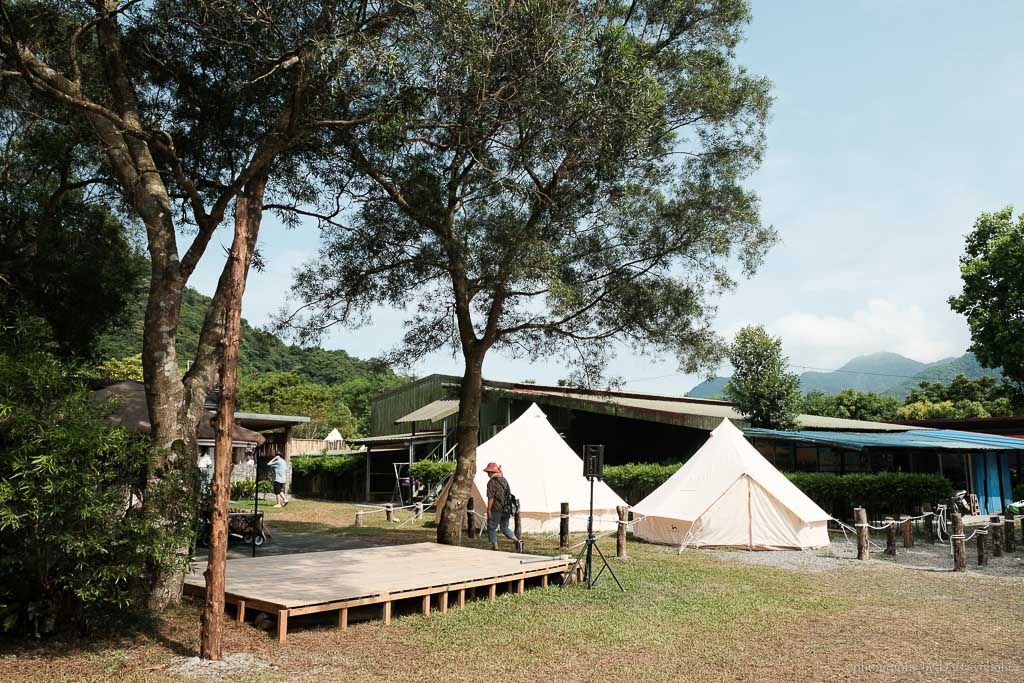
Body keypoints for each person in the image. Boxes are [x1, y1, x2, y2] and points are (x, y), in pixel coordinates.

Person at [483, 462, 519, 551]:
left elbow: (490, 497)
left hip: (496, 508)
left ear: (491, 472)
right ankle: (517, 541)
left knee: (491, 527)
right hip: (506, 508)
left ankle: (495, 547)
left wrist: (488, 510)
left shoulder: (491, 482)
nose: (487, 474)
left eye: (488, 472)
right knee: (504, 528)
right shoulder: (504, 480)